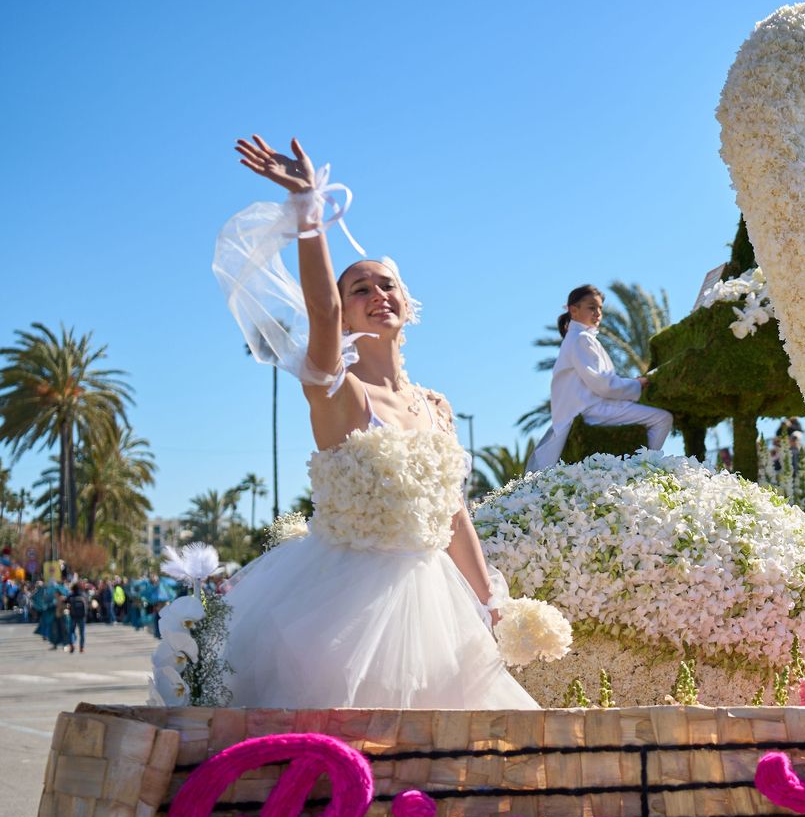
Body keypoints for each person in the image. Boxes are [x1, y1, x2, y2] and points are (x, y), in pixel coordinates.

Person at [215, 135, 536, 710]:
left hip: (437, 604)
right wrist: (310, 214)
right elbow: (321, 311)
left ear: (406, 304)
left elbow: (453, 512)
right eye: (359, 288)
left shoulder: (435, 407)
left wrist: (489, 600)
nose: (376, 294)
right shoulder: (334, 388)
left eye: (386, 284)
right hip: (344, 605)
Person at [526, 285, 673, 472]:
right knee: (662, 418)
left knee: (658, 417)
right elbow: (603, 385)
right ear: (573, 310)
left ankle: (642, 466)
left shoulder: (578, 338)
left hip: (589, 408)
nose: (598, 313)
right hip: (592, 410)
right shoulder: (581, 339)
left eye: (600, 308)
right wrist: (636, 384)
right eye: (592, 307)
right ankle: (644, 469)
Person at [68, 580, 89, 653]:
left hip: (73, 616)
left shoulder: (71, 595)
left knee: (71, 631)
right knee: (82, 633)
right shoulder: (83, 595)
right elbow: (87, 603)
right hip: (82, 616)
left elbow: (66, 602)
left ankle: (72, 644)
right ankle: (81, 648)